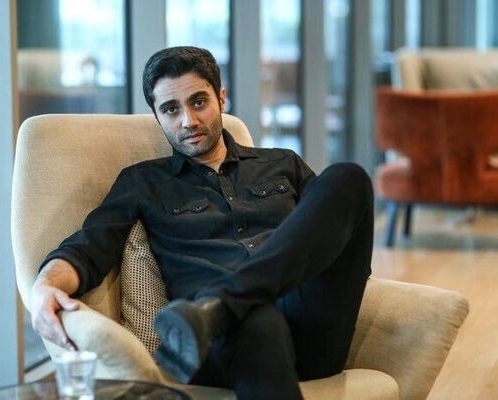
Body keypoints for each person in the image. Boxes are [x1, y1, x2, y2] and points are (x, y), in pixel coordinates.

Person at [30, 46, 373, 400]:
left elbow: (333, 233)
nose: (188, 121)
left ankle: (222, 302)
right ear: (157, 116)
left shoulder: (283, 164)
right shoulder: (142, 183)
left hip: (311, 326)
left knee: (348, 177)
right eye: (171, 109)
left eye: (198, 102)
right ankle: (225, 309)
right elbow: (87, 247)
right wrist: (44, 286)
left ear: (221, 98)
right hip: (222, 342)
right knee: (254, 319)